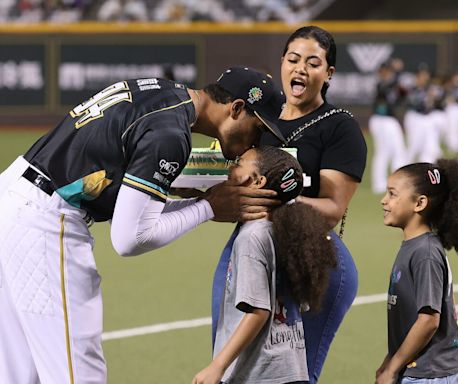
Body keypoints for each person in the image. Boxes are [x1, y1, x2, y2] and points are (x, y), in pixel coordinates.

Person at [0, 66, 287, 384]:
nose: (256, 142)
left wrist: (181, 197)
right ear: (236, 109)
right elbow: (130, 238)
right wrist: (209, 207)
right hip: (43, 224)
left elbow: (124, 192)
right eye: (258, 129)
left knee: (19, 372)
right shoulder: (171, 133)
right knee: (79, 375)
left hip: (15, 199)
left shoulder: (164, 91)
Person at [211, 25, 367, 384]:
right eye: (293, 59)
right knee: (227, 368)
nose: (300, 69)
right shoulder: (260, 119)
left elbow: (333, 208)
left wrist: (284, 200)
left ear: (328, 74)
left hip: (310, 257)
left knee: (295, 375)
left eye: (313, 63)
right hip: (249, 247)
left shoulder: (338, 127)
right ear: (281, 62)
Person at [193, 145, 336, 384]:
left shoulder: (252, 237)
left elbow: (259, 311)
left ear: (257, 182)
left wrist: (217, 367)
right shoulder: (288, 231)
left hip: (260, 374)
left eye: (239, 163)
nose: (231, 167)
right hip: (290, 367)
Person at [376, 160, 458, 384]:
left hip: (432, 372)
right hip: (420, 368)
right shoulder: (416, 247)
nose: (384, 200)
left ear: (419, 203)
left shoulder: (425, 253)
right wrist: (389, 361)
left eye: (392, 194)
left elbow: (429, 321)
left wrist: (393, 367)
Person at [369, 61, 408, 194]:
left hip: (384, 121)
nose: (388, 73)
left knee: (385, 152)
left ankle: (380, 184)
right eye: (386, 70)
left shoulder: (390, 85)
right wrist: (398, 73)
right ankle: (397, 182)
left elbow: (401, 97)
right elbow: (390, 87)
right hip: (384, 121)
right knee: (396, 150)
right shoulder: (381, 84)